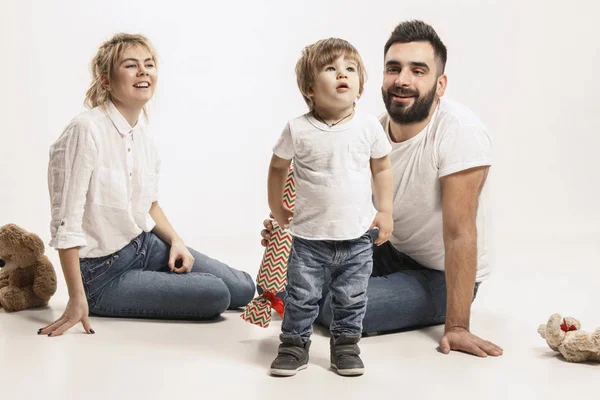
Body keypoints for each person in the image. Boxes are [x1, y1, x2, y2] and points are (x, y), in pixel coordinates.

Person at [261, 20, 503, 358]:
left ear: (440, 83)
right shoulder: (370, 129)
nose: (402, 80)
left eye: (418, 70)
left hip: (439, 272)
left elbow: (460, 232)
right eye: (394, 68)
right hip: (385, 245)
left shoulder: (460, 132)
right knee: (301, 269)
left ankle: (307, 302)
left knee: (339, 308)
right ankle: (296, 294)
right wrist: (291, 225)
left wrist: (458, 326)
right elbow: (337, 195)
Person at [40, 33, 255, 337]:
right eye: (130, 65)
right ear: (105, 81)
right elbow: (67, 224)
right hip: (102, 274)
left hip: (143, 245)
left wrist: (176, 241)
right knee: (217, 294)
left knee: (244, 288)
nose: (143, 71)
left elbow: (148, 204)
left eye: (148, 64)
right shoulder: (85, 130)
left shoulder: (142, 134)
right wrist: (77, 298)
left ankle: (305, 295)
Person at [267, 38, 393, 376]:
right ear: (309, 87)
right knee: (301, 296)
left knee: (352, 297)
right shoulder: (298, 128)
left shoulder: (367, 127)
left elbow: (381, 168)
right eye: (331, 68)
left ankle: (346, 345)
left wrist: (385, 211)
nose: (343, 74)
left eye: (350, 69)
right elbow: (278, 167)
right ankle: (294, 345)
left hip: (357, 237)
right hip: (309, 239)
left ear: (360, 87)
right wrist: (277, 208)